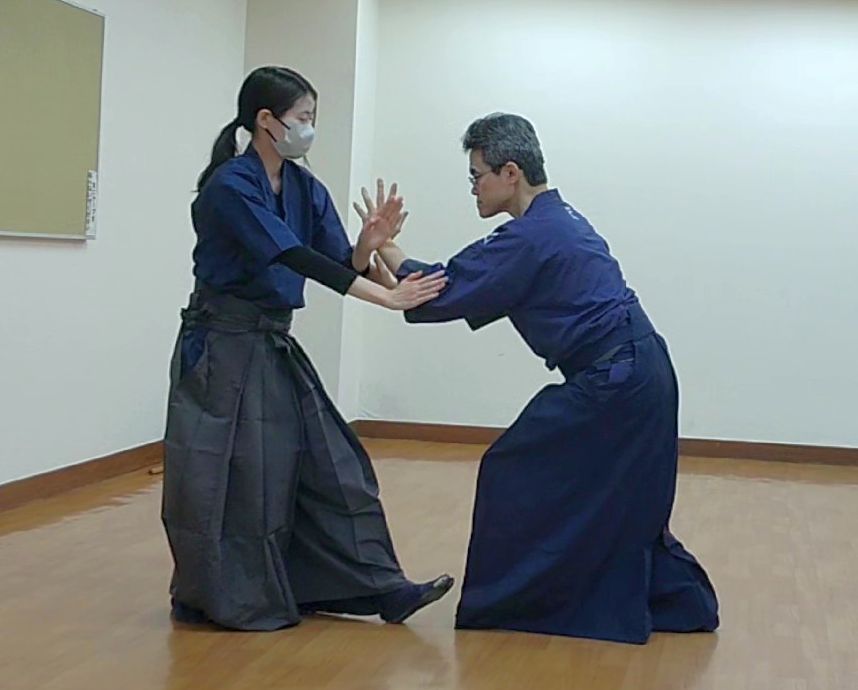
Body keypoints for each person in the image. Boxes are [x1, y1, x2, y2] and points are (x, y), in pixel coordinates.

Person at [369, 113, 719, 644]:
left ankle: (522, 602)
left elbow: (441, 288)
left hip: (616, 379)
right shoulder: (557, 219)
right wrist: (389, 265)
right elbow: (448, 288)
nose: (473, 188)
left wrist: (384, 243)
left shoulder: (531, 236)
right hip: (639, 370)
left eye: (477, 176)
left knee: (515, 469)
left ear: (510, 173)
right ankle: (674, 600)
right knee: (622, 498)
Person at [161, 66, 453, 631]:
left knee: (333, 464)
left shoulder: (304, 187)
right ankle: (223, 596)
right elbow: (292, 256)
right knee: (238, 478)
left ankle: (382, 587)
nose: (309, 129)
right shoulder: (229, 187)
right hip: (221, 347)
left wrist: (368, 246)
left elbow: (337, 262)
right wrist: (387, 298)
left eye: (312, 118)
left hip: (271, 342)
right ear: (266, 121)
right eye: (303, 117)